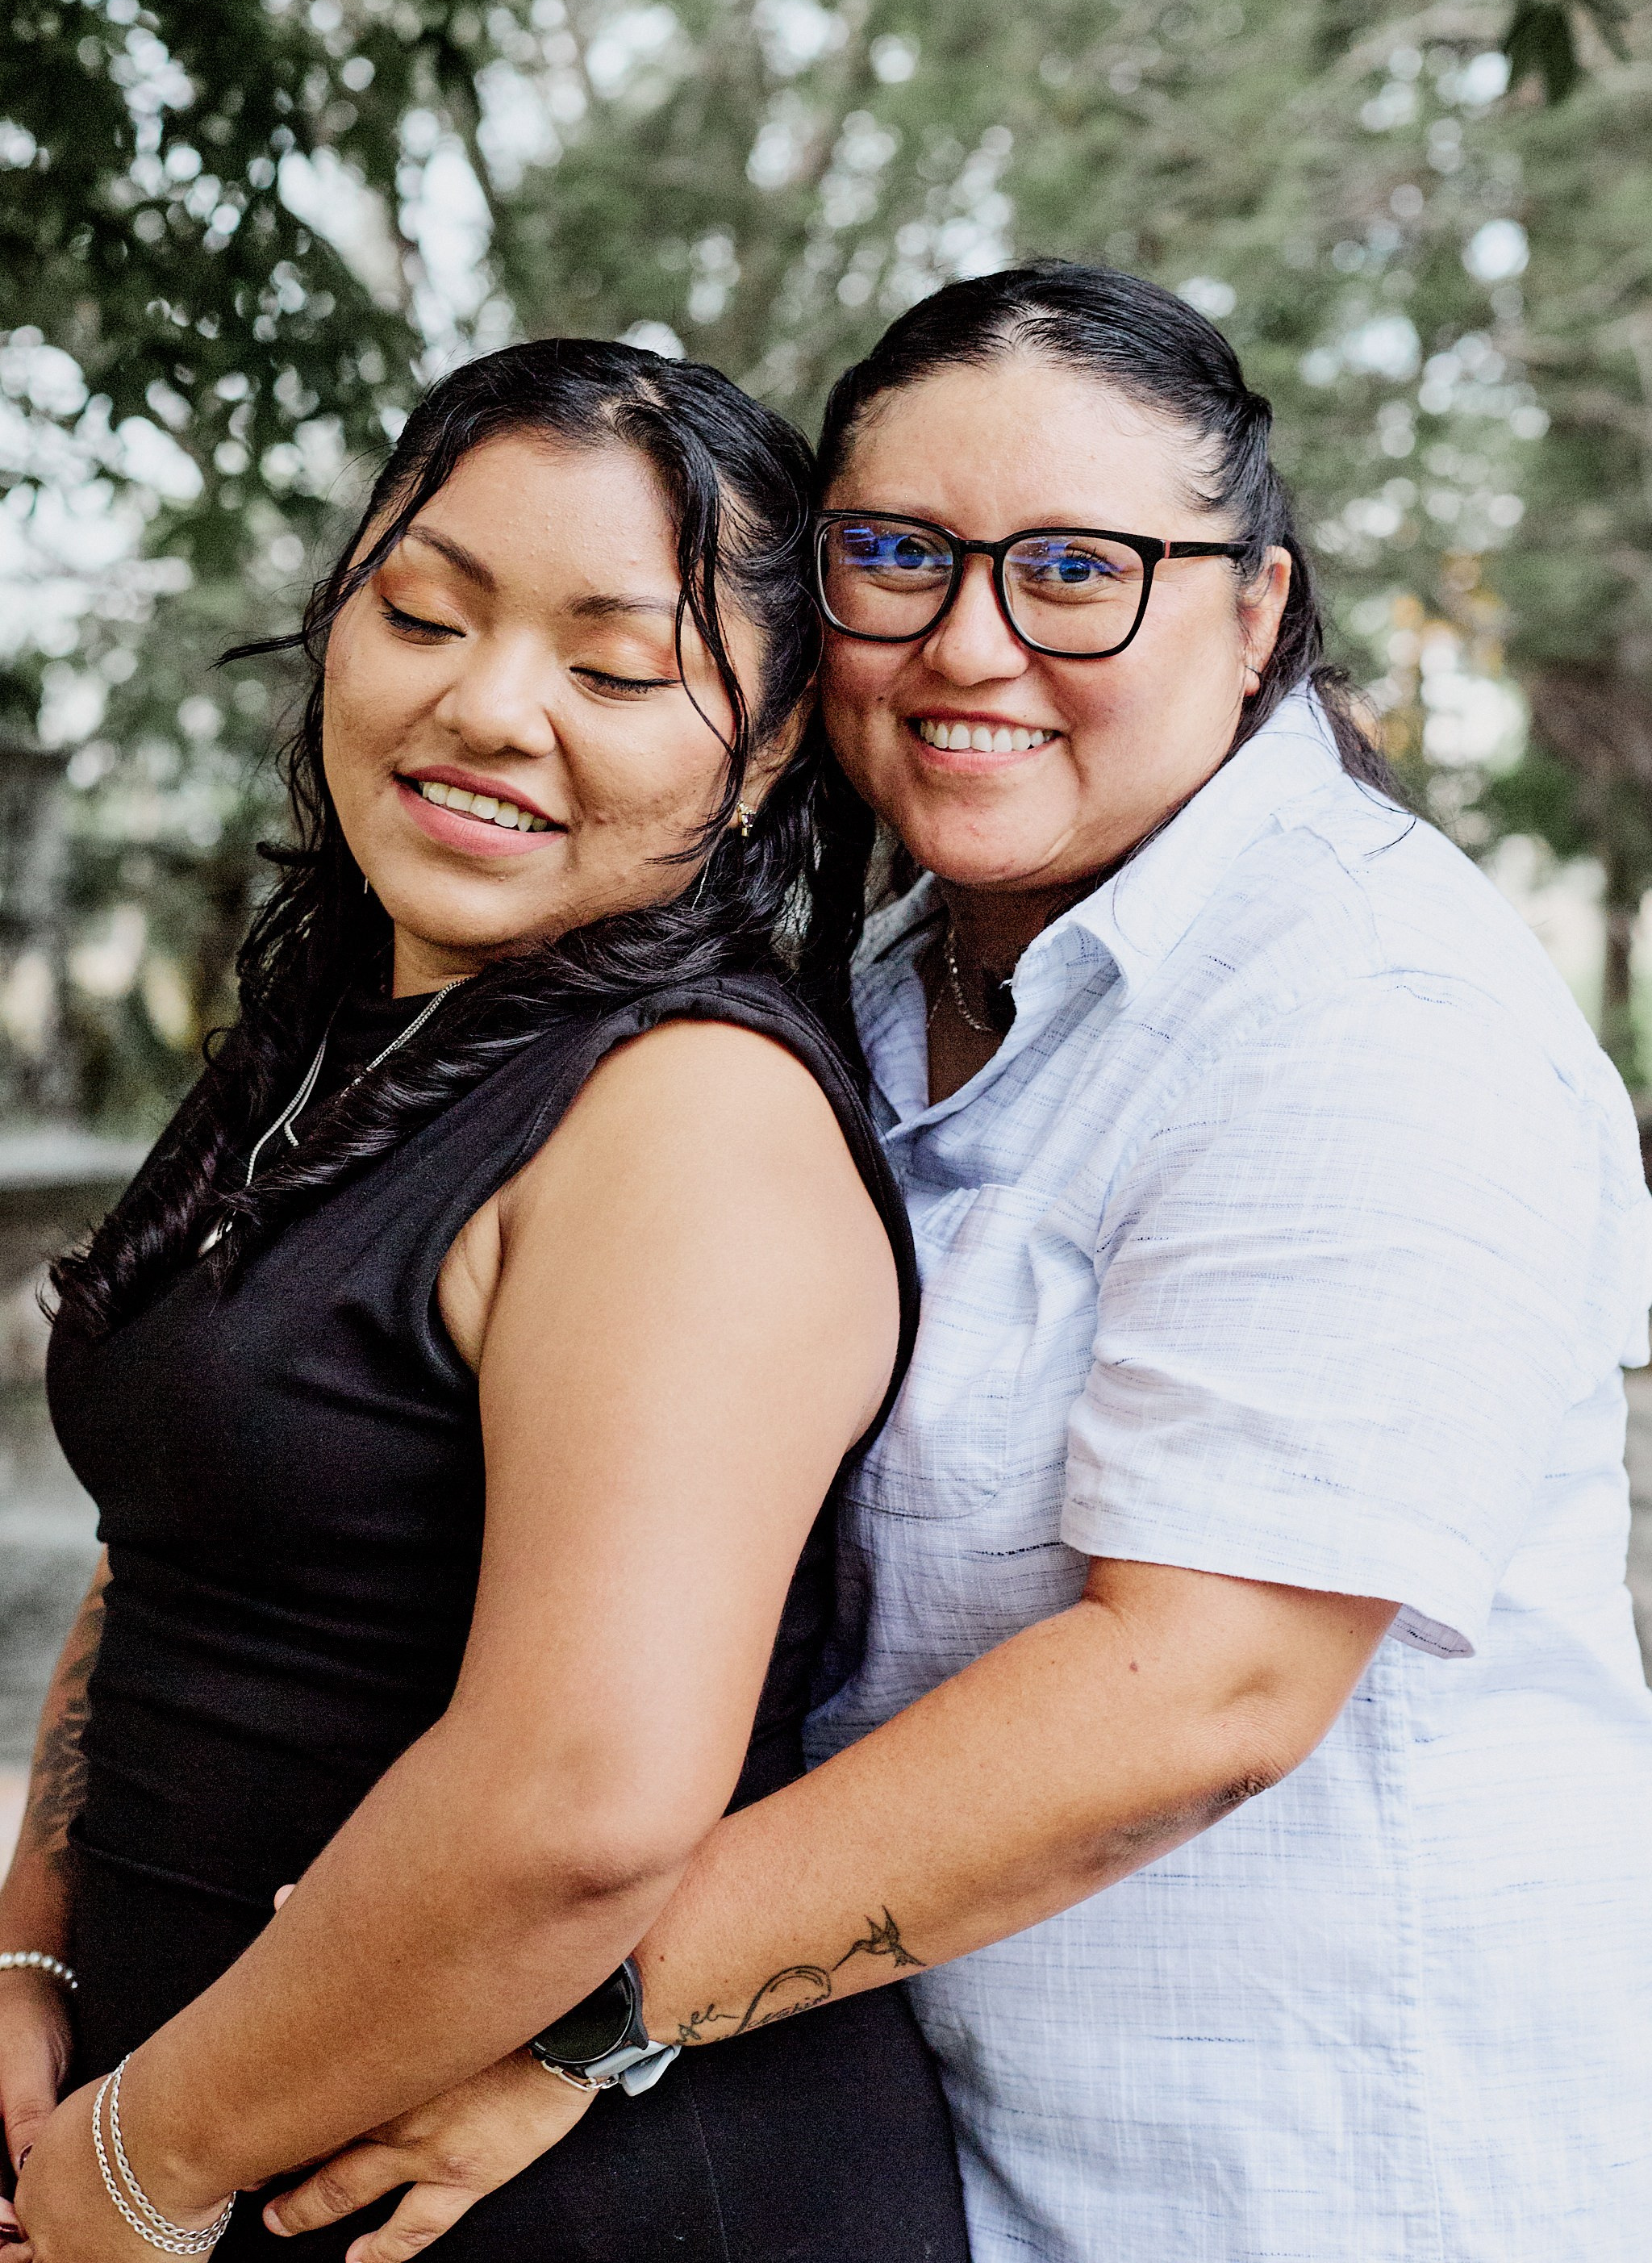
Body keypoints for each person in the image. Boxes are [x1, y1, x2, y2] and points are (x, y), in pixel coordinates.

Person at [256, 265, 1652, 2263]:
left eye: (1078, 571)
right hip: (933, 2160)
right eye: (896, 556)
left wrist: (556, 2007)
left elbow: (1203, 1687)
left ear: (1255, 609)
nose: (969, 642)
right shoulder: (883, 978)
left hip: (1305, 2184)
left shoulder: (1366, 1009)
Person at [0, 338, 970, 2261]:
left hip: (548, 2203)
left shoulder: (688, 1117)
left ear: (771, 740)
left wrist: (144, 2163)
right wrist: (39, 1934)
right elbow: (174, 1528)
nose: (488, 707)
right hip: (200, 2132)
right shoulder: (345, 1027)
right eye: (425, 614)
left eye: (612, 670)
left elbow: (581, 1804)